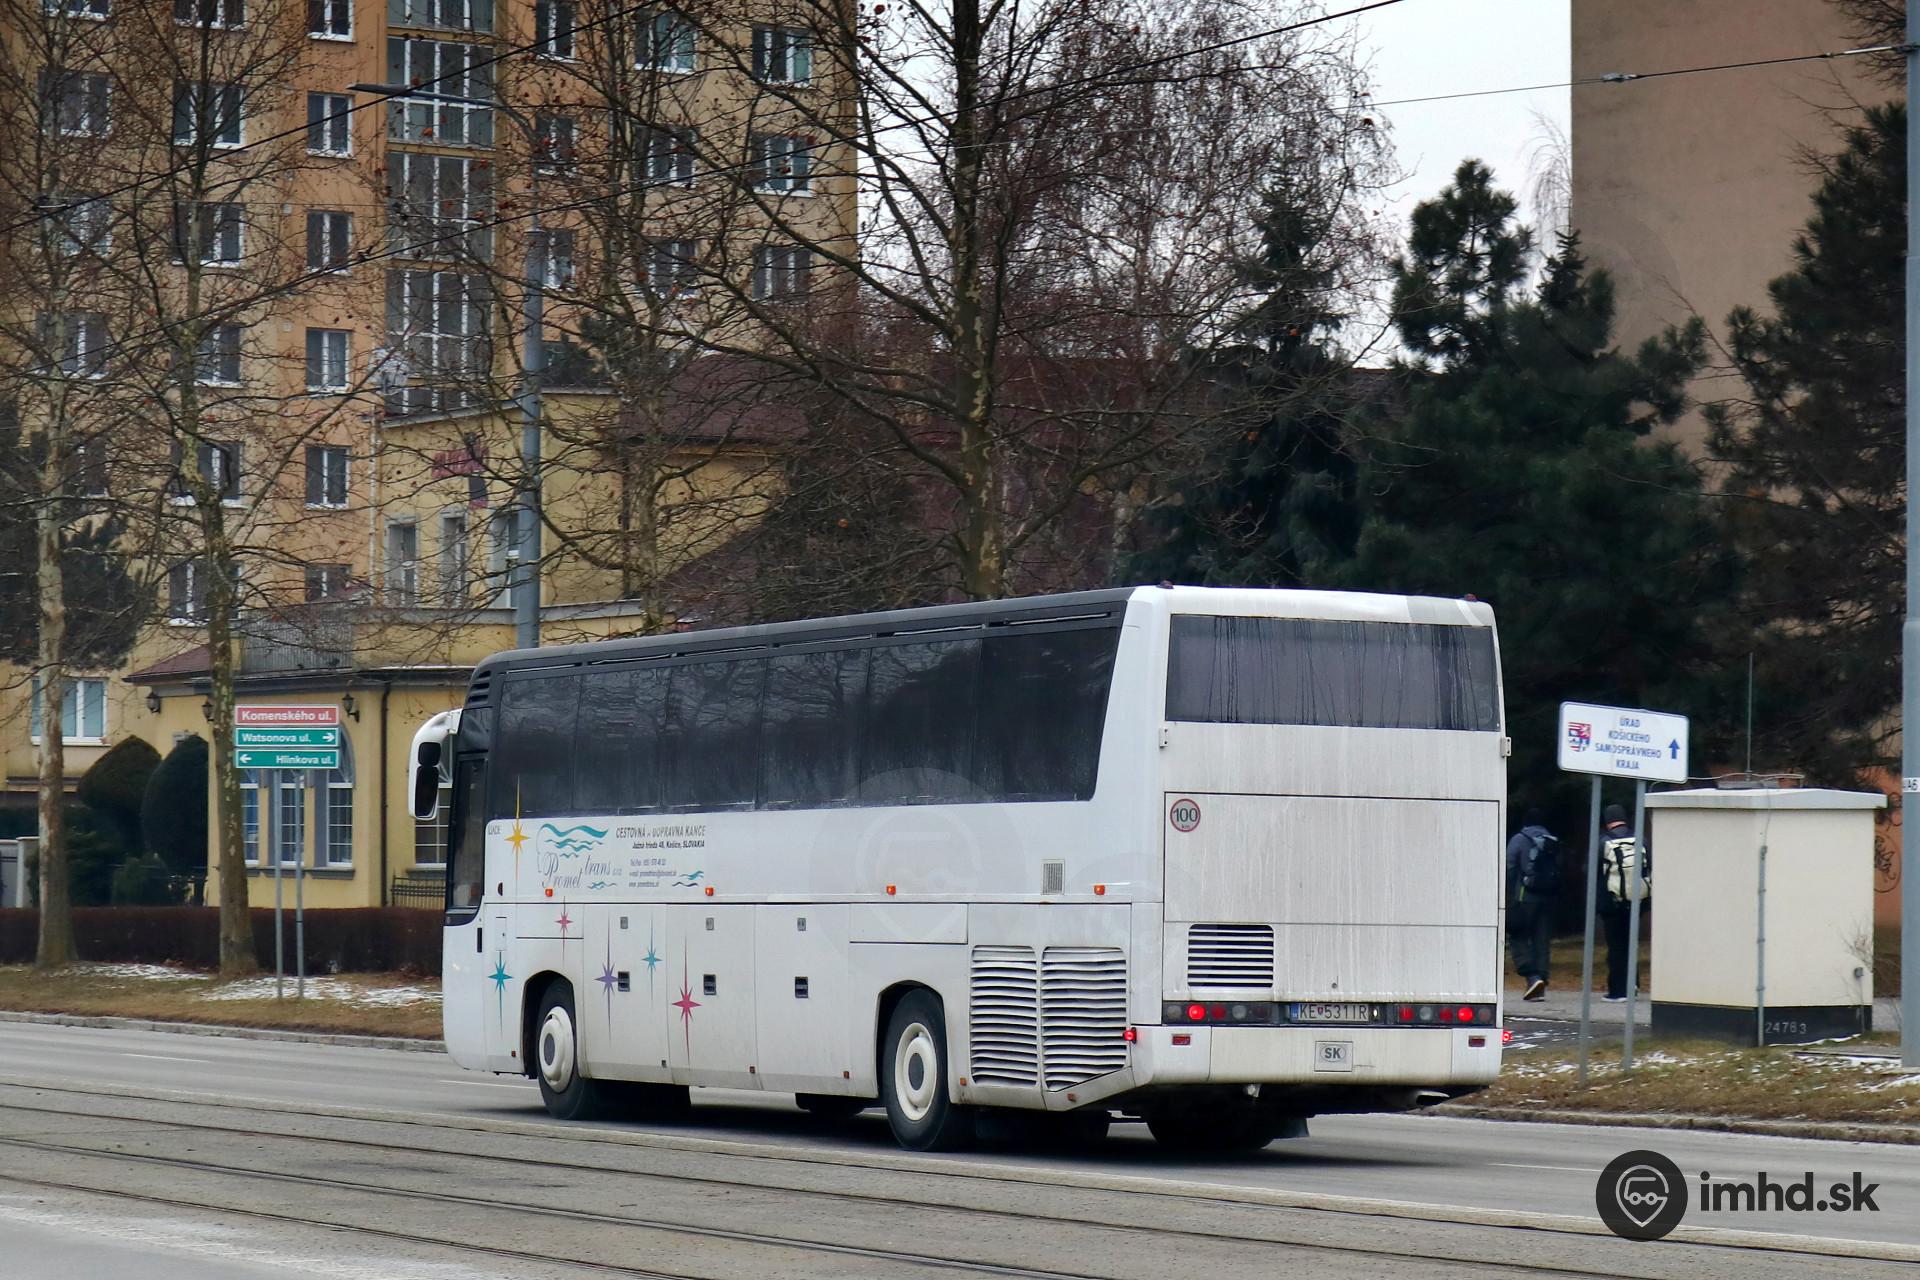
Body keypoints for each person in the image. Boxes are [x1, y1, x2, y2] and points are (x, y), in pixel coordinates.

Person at [1597, 803, 1651, 1002]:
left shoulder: (1604, 842)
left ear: (1607, 821)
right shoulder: (1641, 840)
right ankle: (1633, 983)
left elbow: (1592, 870)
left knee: (1616, 946)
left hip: (1612, 903)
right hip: (1637, 901)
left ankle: (1619, 991)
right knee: (1630, 943)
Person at [1505, 809, 1560, 1001]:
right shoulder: (1551, 840)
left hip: (1525, 898)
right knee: (1541, 940)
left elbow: (1509, 867)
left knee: (1517, 936)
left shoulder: (1519, 839)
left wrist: (1509, 893)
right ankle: (1541, 982)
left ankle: (1532, 976)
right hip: (1548, 898)